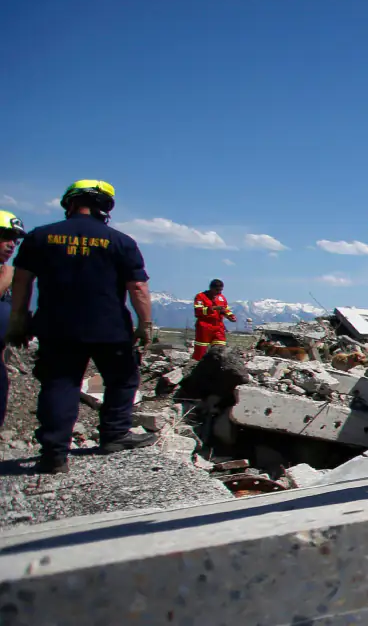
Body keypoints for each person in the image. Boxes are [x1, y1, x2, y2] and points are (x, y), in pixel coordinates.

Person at [5, 180, 157, 473]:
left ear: (70, 204)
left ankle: (54, 453)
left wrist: (18, 321)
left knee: (60, 384)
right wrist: (145, 325)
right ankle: (114, 434)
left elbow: (22, 281)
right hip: (109, 328)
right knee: (123, 378)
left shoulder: (40, 237)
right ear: (106, 208)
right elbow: (137, 287)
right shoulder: (121, 242)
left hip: (57, 326)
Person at [0, 209, 23, 430]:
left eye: (14, 240)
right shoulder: (5, 275)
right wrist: (5, 281)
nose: (11, 245)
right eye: (5, 237)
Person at [191, 278, 235, 360]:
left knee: (220, 348)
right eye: (217, 290)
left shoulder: (221, 298)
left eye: (221, 290)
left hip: (218, 326)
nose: (219, 292)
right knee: (201, 349)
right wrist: (213, 308)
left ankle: (217, 367)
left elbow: (225, 309)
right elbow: (198, 311)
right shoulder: (200, 296)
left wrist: (230, 316)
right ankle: (196, 365)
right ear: (211, 288)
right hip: (204, 326)